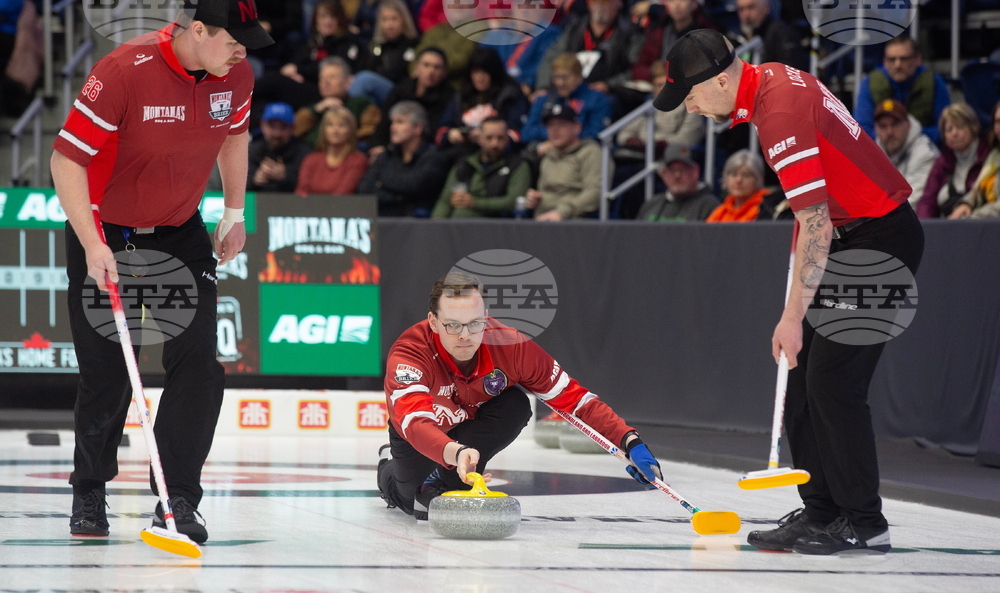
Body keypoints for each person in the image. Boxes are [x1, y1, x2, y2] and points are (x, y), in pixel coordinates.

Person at [656, 29, 923, 555]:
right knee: (801, 378)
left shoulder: (777, 113)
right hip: (852, 235)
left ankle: (864, 523)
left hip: (878, 238)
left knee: (834, 384)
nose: (689, 106)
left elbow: (815, 221)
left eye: (690, 94)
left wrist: (791, 316)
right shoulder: (772, 81)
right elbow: (814, 212)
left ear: (719, 79)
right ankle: (822, 510)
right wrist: (793, 310)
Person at [49, 0, 273, 544]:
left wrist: (235, 212)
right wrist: (91, 242)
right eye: (233, 39)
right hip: (108, 233)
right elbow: (66, 159)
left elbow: (235, 136)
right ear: (197, 30)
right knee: (106, 373)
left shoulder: (233, 72)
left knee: (200, 365)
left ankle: (177, 497)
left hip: (179, 234)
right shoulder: (125, 69)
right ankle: (90, 491)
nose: (244, 51)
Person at [377, 272, 664, 520]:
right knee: (408, 501)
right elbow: (414, 423)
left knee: (515, 403)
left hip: (469, 427)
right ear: (434, 321)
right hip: (422, 434)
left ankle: (445, 478)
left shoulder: (511, 346)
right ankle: (387, 466)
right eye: (453, 325)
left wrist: (629, 441)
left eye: (475, 323)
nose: (465, 335)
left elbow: (574, 399)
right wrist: (457, 452)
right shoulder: (410, 353)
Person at [358, 100, 450, 216]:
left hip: (416, 224)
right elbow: (365, 189)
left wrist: (381, 182)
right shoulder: (386, 155)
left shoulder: (433, 158)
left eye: (400, 122)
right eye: (393, 122)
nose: (393, 128)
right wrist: (397, 197)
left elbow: (414, 186)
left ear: (418, 128)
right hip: (383, 219)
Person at [854, 35, 950, 144]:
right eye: (892, 59)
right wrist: (892, 136)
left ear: (917, 59)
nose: (897, 65)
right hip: (883, 151)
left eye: (904, 59)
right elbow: (862, 130)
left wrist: (905, 133)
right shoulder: (870, 83)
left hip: (924, 150)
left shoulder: (934, 82)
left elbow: (944, 129)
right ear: (884, 61)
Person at [536, 0, 643, 95]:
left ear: (619, 3)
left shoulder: (631, 33)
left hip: (605, 94)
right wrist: (543, 87)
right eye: (594, 1)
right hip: (567, 89)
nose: (600, 5)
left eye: (605, 1)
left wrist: (609, 85)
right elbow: (551, 58)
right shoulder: (574, 29)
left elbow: (635, 70)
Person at [438, 47, 530, 158]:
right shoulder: (462, 95)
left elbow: (517, 134)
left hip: (497, 153)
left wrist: (487, 137)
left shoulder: (510, 95)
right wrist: (450, 135)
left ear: (494, 73)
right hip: (461, 150)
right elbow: (442, 129)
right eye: (475, 72)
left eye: (484, 72)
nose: (479, 78)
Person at [432, 117, 532, 218]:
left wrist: (475, 203)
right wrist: (436, 224)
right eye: (489, 138)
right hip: (457, 227)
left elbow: (515, 201)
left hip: (496, 226)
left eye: (500, 138)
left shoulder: (517, 165)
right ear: (479, 139)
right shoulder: (465, 164)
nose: (495, 143)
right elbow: (445, 200)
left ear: (507, 139)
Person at [524, 102, 605, 220]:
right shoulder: (548, 156)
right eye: (550, 125)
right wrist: (535, 199)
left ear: (577, 127)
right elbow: (544, 191)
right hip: (543, 221)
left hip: (574, 222)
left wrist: (563, 212)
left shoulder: (590, 152)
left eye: (562, 125)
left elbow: (595, 192)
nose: (555, 130)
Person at [370, 47, 457, 153]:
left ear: (444, 72)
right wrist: (377, 145)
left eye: (437, 67)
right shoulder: (401, 89)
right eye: (426, 65)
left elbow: (435, 131)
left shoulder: (448, 97)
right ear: (417, 68)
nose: (431, 71)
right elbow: (385, 121)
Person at [616, 61, 705, 159]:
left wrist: (662, 143)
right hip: (643, 156)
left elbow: (688, 139)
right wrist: (630, 140)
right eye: (658, 85)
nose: (662, 89)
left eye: (665, 84)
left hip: (674, 159)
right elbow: (623, 133)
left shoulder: (692, 106)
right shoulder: (649, 107)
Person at [917, 103, 990, 219]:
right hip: (949, 227)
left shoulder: (988, 156)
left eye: (960, 127)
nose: (954, 133)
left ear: (973, 127)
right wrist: (925, 228)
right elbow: (927, 201)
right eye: (949, 129)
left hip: (984, 224)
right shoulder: (941, 162)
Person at [521, 53, 611, 147]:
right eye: (556, 77)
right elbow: (526, 133)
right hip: (547, 153)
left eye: (565, 77)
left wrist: (562, 140)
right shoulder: (544, 99)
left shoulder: (597, 99)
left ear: (579, 77)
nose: (560, 83)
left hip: (581, 154)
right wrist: (555, 138)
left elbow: (597, 133)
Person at [294, 57, 381, 148]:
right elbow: (295, 131)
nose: (326, 82)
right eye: (322, 78)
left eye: (332, 77)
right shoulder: (314, 109)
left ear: (348, 81)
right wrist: (316, 110)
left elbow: (369, 133)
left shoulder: (361, 104)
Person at [872, 99, 938, 210]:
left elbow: (911, 201)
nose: (889, 132)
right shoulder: (872, 155)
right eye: (883, 126)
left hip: (921, 222)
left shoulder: (925, 153)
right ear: (876, 129)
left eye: (895, 124)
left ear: (908, 124)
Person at [350, 0, 419, 106]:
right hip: (374, 94)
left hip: (399, 94)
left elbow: (403, 75)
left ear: (404, 20)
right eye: (385, 20)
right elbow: (361, 68)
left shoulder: (413, 45)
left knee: (364, 79)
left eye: (394, 19)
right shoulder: (374, 45)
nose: (389, 25)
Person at [296, 106, 369, 195]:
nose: (335, 130)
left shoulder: (357, 160)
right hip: (309, 208)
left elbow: (343, 193)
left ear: (351, 130)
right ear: (324, 130)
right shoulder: (311, 159)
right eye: (330, 125)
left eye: (341, 125)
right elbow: (301, 191)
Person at [635, 144, 719, 222]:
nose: (677, 175)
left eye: (683, 169)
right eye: (672, 170)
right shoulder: (652, 204)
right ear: (663, 174)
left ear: (696, 171)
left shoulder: (710, 206)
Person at [950, 101, 1000, 220]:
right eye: (998, 121)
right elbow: (977, 189)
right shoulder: (994, 155)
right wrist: (965, 204)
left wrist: (973, 216)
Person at [248, 102, 312, 193]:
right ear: (262, 125)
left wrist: (285, 176)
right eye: (272, 126)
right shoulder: (250, 151)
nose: (277, 133)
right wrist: (254, 180)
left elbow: (311, 191)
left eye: (283, 127)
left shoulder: (305, 155)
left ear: (292, 128)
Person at [730, 0, 808, 71]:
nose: (746, 15)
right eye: (741, 9)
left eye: (751, 7)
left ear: (766, 8)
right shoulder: (735, 37)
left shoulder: (781, 32)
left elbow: (790, 68)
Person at [706, 149, 772, 222]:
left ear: (758, 179)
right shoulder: (720, 213)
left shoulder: (767, 209)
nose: (738, 180)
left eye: (746, 175)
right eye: (734, 174)